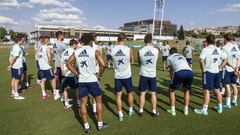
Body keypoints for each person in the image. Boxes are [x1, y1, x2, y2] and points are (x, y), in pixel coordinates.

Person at [67, 33, 108, 133]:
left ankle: (86, 126)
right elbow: (103, 64)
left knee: (83, 104)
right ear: (91, 41)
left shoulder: (76, 51)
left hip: (82, 81)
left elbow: (68, 64)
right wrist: (99, 75)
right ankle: (100, 124)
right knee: (98, 102)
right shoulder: (95, 51)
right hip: (93, 80)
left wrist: (76, 73)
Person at [194, 34, 227, 115]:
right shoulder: (218, 50)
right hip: (217, 72)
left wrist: (203, 70)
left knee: (206, 90)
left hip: (208, 72)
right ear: (214, 41)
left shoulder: (205, 49)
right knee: (217, 90)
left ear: (207, 41)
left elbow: (201, 60)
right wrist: (220, 67)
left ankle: (204, 110)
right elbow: (225, 59)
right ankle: (220, 108)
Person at [111, 33, 135, 121]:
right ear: (124, 39)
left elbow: (113, 61)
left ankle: (120, 114)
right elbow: (132, 61)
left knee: (118, 96)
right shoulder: (129, 49)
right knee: (129, 93)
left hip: (117, 76)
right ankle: (130, 111)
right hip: (127, 75)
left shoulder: (113, 50)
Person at [166, 47, 193, 116]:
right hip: (190, 72)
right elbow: (188, 64)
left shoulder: (169, 57)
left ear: (170, 52)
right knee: (186, 90)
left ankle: (173, 111)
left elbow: (170, 69)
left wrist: (172, 77)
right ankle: (186, 110)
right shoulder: (182, 56)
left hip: (179, 72)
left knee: (171, 90)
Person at [138, 34, 160, 117]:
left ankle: (141, 111)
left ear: (144, 41)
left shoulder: (140, 50)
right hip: (152, 75)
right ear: (151, 40)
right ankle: (154, 111)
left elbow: (140, 62)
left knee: (142, 93)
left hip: (143, 74)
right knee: (153, 93)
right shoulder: (156, 50)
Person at [222, 33, 240, 108]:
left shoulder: (224, 47)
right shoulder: (236, 46)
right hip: (235, 69)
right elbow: (239, 58)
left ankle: (228, 103)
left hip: (228, 69)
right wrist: (237, 67)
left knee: (227, 86)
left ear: (225, 39)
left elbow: (225, 60)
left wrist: (233, 66)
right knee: (234, 85)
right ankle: (234, 101)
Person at [61, 39, 79, 109]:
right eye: (76, 44)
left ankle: (66, 104)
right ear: (74, 44)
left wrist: (63, 70)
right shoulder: (74, 52)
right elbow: (73, 63)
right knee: (77, 87)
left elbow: (62, 62)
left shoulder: (64, 51)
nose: (77, 46)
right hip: (71, 73)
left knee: (65, 89)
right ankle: (79, 102)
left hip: (65, 73)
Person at [8, 33, 25, 100]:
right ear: (19, 40)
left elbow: (11, 56)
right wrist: (11, 65)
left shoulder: (15, 47)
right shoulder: (17, 48)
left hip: (15, 66)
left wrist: (11, 65)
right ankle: (16, 95)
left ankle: (14, 92)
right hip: (17, 67)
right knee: (17, 81)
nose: (23, 41)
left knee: (14, 79)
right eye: (22, 40)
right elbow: (14, 57)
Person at [52, 31, 66, 100]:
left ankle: (58, 94)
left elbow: (54, 53)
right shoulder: (62, 44)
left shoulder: (54, 43)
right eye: (63, 35)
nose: (64, 36)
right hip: (62, 64)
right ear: (60, 36)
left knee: (59, 79)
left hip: (57, 64)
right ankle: (63, 96)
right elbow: (67, 53)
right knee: (63, 80)